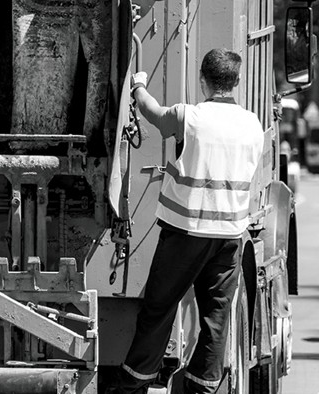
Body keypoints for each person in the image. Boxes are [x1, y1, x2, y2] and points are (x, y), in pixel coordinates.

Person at [109, 49, 264, 394]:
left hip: (186, 233)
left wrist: (137, 87)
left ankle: (132, 385)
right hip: (229, 238)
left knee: (159, 310)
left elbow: (156, 115)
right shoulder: (253, 124)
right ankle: (202, 386)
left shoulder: (190, 117)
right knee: (216, 319)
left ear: (202, 79)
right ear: (237, 82)